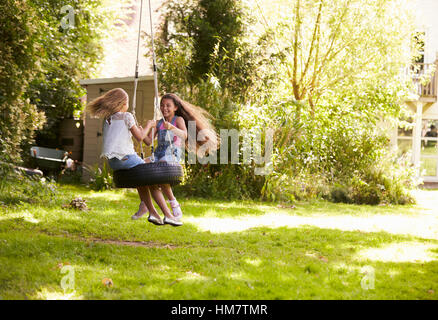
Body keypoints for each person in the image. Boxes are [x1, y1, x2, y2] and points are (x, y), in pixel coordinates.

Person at [86, 88, 182, 227]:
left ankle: (153, 213)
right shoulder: (127, 116)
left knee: (141, 180)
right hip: (126, 158)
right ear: (122, 103)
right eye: (127, 103)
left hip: (113, 162)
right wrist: (148, 125)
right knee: (152, 181)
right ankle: (169, 215)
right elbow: (140, 138)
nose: (128, 106)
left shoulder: (108, 119)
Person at [143, 93, 219, 221]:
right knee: (141, 164)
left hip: (172, 153)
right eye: (162, 105)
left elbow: (184, 135)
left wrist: (172, 128)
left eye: (168, 105)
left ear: (175, 108)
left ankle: (173, 202)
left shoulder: (178, 120)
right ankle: (145, 205)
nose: (164, 108)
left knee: (162, 170)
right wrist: (144, 129)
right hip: (158, 153)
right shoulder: (159, 123)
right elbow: (148, 142)